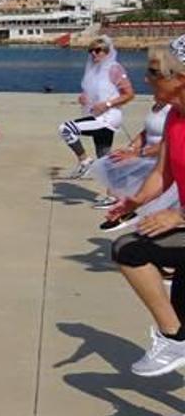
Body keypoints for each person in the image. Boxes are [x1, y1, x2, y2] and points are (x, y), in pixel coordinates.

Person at [107, 39, 185, 377]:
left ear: (180, 77)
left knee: (129, 250)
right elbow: (162, 173)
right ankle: (177, 337)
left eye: (154, 73)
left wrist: (178, 216)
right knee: (179, 313)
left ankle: (173, 339)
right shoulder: (174, 118)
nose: (146, 79)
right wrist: (132, 202)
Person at [91, 100, 177, 231]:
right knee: (112, 161)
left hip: (159, 159)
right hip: (146, 155)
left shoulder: (175, 109)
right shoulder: (159, 106)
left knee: (158, 207)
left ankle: (129, 210)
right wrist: (130, 148)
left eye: (154, 78)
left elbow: (172, 143)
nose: (146, 81)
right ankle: (123, 204)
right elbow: (145, 132)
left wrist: (139, 153)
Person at [58, 36, 135, 179]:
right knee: (104, 159)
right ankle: (114, 195)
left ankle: (85, 161)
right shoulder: (94, 71)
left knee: (66, 129)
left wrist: (107, 104)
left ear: (107, 52)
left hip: (108, 118)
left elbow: (129, 94)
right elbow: (97, 94)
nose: (94, 53)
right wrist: (84, 98)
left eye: (98, 50)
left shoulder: (114, 68)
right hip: (98, 117)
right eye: (91, 51)